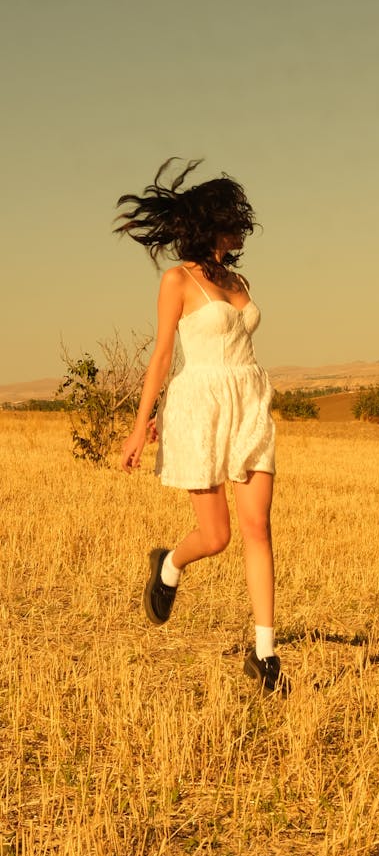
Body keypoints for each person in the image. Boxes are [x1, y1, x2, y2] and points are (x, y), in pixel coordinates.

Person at [116, 158, 285, 693]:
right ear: (212, 222)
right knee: (216, 536)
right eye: (234, 218)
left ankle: (266, 656)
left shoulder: (237, 279)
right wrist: (142, 424)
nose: (242, 228)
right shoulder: (177, 279)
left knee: (258, 529)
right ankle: (168, 564)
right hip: (200, 403)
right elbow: (163, 355)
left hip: (249, 398)